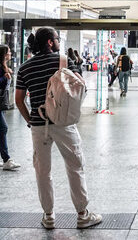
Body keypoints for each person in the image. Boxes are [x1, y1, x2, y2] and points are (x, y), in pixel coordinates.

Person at [15, 27, 101, 229]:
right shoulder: (64, 61)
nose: (59, 42)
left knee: (42, 171)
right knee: (75, 166)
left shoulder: (25, 67)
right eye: (57, 38)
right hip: (64, 123)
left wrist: (30, 119)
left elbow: (19, 100)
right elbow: (80, 88)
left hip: (38, 124)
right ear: (50, 42)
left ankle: (49, 216)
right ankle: (82, 215)